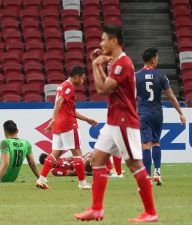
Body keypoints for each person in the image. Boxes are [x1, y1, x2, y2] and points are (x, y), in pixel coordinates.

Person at [74, 24, 158, 222]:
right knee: (97, 160)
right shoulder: (116, 63)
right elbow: (107, 88)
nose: (101, 43)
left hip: (124, 120)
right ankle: (96, 209)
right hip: (114, 120)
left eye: (103, 39)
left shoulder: (123, 63)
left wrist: (95, 66)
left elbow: (102, 89)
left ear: (113, 41)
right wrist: (99, 66)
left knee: (134, 163)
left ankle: (151, 212)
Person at [35, 65, 98, 190]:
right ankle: (82, 183)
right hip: (68, 125)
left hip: (59, 125)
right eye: (82, 78)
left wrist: (87, 119)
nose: (83, 81)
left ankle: (41, 179)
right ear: (76, 77)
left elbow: (69, 109)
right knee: (77, 153)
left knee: (55, 153)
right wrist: (52, 120)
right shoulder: (69, 86)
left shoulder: (62, 86)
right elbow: (58, 103)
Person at [136, 47, 186, 185]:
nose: (158, 60)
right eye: (157, 57)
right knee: (156, 142)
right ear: (153, 60)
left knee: (145, 145)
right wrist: (181, 113)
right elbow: (170, 96)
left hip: (144, 113)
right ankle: (157, 173)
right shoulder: (161, 75)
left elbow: (131, 97)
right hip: (157, 113)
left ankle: (147, 177)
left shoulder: (136, 76)